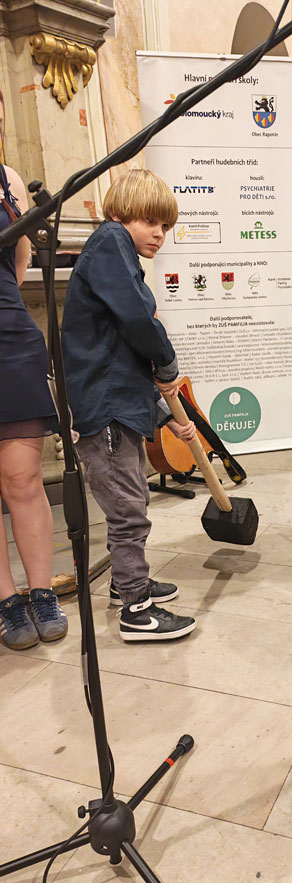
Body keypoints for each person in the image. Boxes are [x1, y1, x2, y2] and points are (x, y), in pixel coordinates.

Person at [62, 169, 198, 642]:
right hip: (106, 412)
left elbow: (122, 354)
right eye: (150, 222)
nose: (160, 234)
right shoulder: (110, 241)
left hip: (118, 405)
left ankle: (127, 582)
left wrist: (164, 417)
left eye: (166, 226)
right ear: (121, 214)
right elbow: (139, 321)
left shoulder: (117, 251)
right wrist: (167, 360)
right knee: (127, 510)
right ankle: (136, 611)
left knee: (134, 498)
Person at [0, 114, 68, 650]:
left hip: (9, 335)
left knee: (23, 479)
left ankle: (41, 593)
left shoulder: (7, 179)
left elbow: (21, 257)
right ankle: (6, 602)